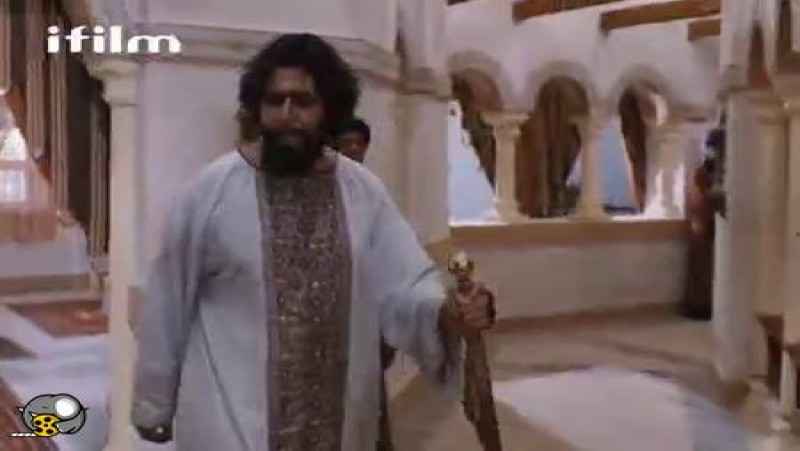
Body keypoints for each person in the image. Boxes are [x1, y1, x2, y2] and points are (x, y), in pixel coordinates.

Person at [130, 33, 495, 451]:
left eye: (303, 102)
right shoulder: (210, 192)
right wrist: (153, 403)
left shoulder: (363, 192)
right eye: (275, 101)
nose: (287, 115)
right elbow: (168, 301)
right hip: (233, 424)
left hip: (340, 425)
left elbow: (405, 284)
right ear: (257, 108)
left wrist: (450, 312)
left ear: (328, 109)